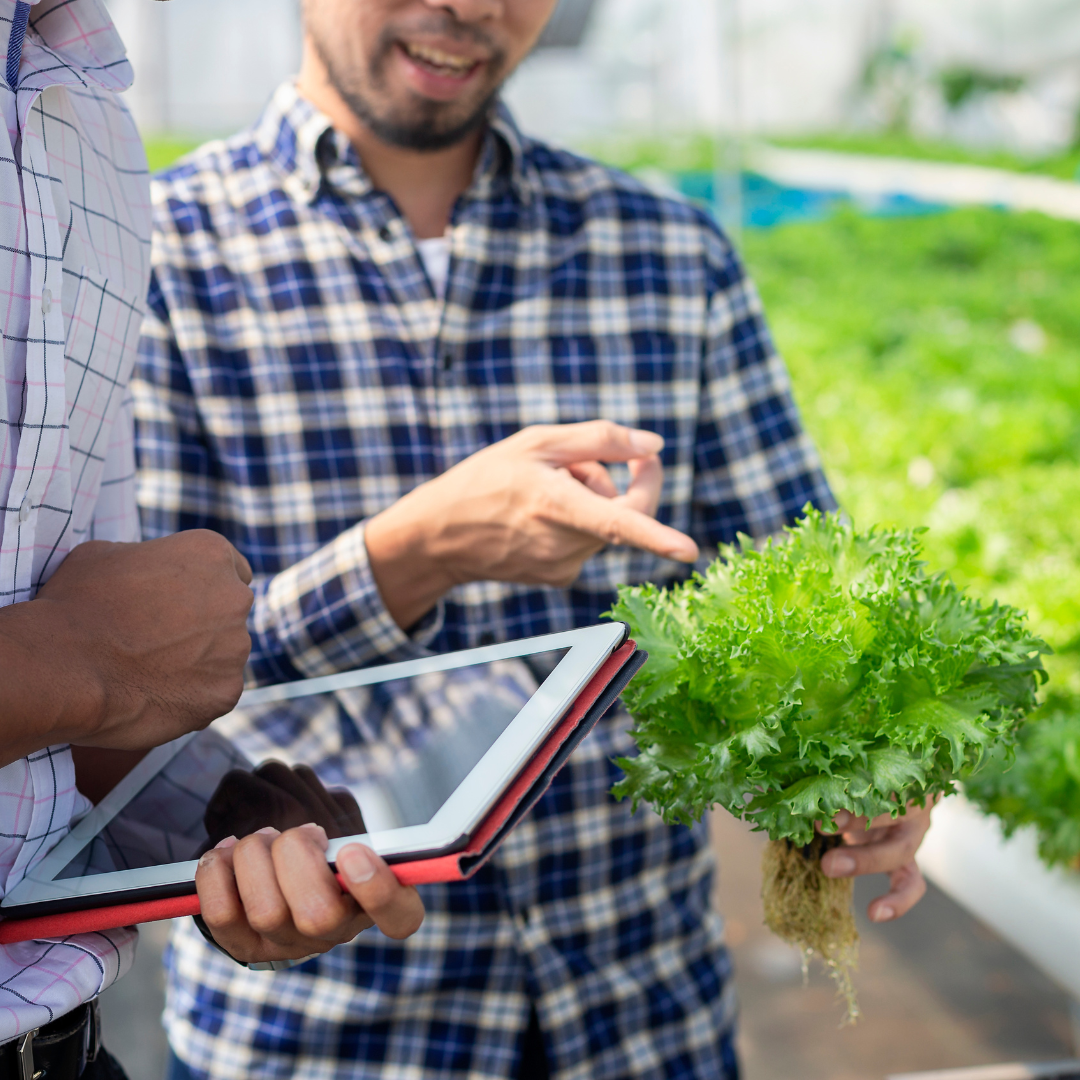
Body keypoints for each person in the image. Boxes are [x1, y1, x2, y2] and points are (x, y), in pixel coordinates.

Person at [133, 0, 935, 1076]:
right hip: (320, 1036)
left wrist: (857, 767)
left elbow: (800, 598)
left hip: (643, 1015)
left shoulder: (664, 251)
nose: (469, 7)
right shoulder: (160, 257)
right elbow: (134, 699)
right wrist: (417, 551)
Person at [0, 2, 423, 1077]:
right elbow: (106, 645)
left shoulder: (81, 110)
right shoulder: (190, 213)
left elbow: (111, 636)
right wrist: (77, 665)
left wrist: (216, 821)